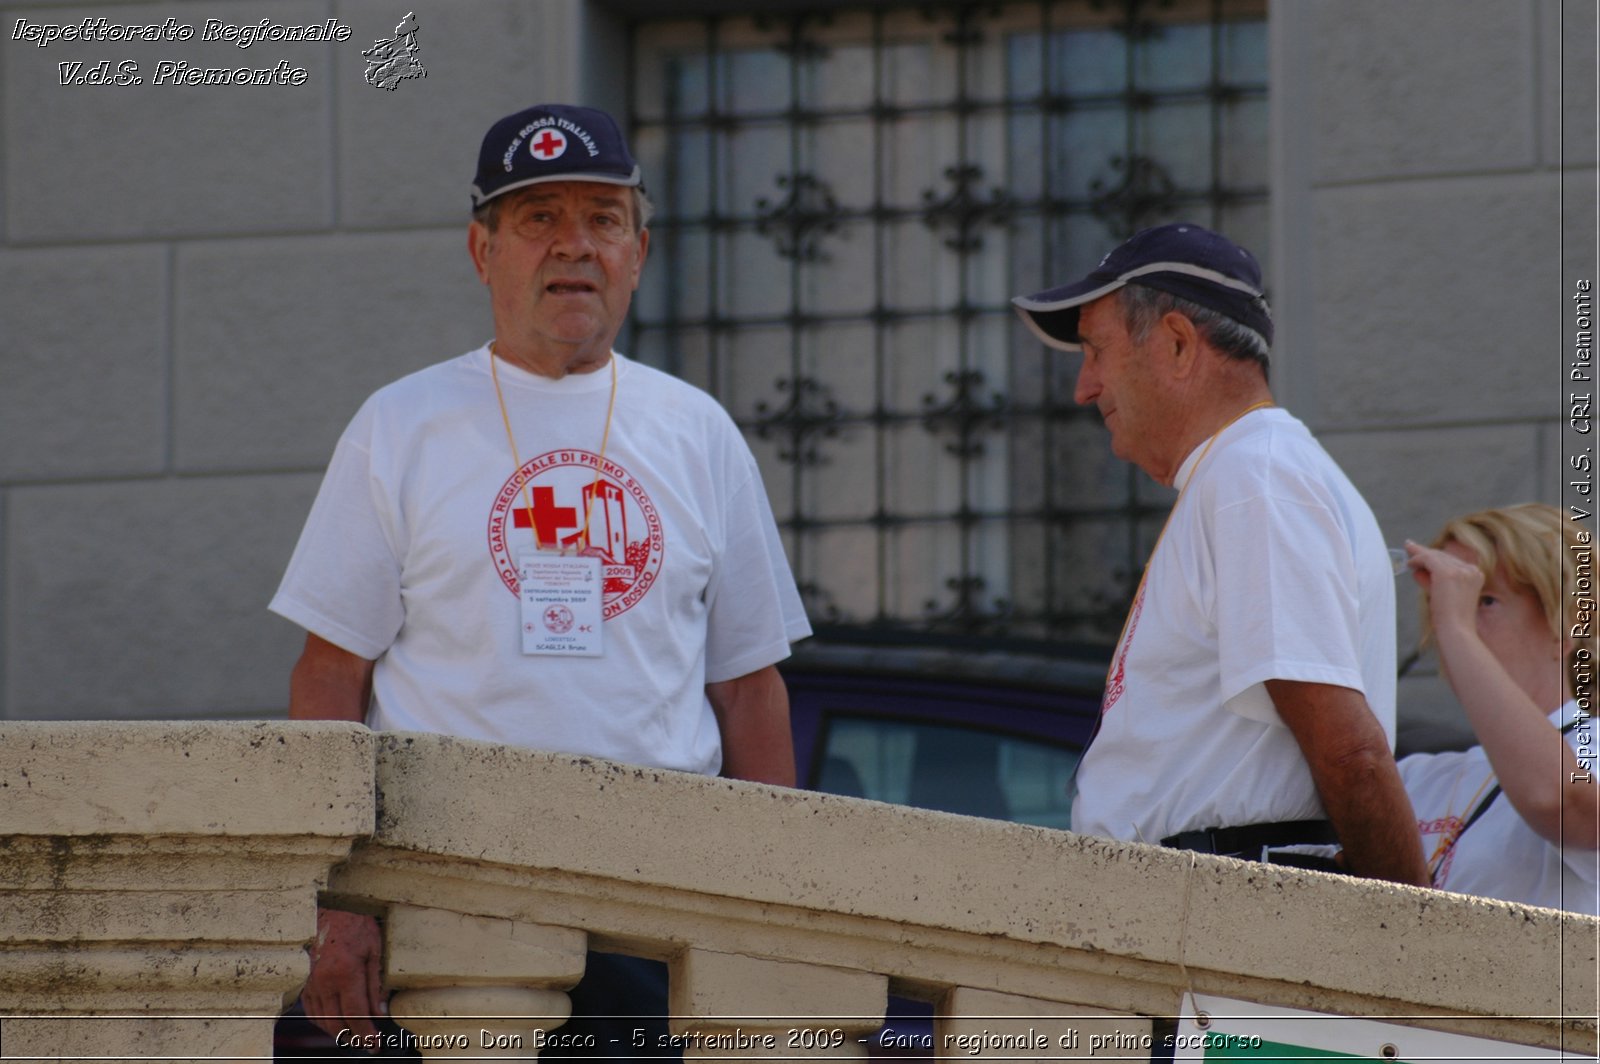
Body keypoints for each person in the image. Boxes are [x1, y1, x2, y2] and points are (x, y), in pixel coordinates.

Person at [270, 103, 811, 1043]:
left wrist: (779, 920)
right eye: (539, 218)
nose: (575, 246)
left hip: (656, 920)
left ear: (638, 252)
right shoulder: (399, 427)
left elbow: (749, 692)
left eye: (603, 219)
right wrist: (337, 903)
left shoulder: (700, 434)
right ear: (483, 253)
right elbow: (330, 677)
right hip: (441, 916)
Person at [1011, 223, 1428, 885]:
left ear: (1177, 343)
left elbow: (1352, 754)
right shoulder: (1246, 472)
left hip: (1216, 917)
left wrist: (1415, 948)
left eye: (1096, 350)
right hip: (1205, 908)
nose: (1083, 388)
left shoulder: (1253, 475)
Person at [1398, 504, 1598, 912]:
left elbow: (1560, 801)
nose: (1446, 622)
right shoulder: (1414, 775)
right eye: (1443, 602)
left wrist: (1457, 627)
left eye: (1484, 599)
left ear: (1566, 628)